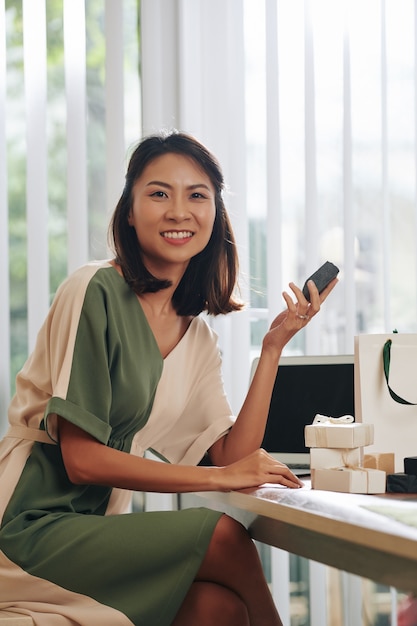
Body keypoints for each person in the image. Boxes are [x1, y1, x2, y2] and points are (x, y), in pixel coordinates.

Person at [0, 130, 337, 626]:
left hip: (90, 529)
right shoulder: (94, 290)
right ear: (130, 212)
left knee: (217, 609)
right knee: (222, 535)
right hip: (25, 524)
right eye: (159, 193)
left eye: (196, 195)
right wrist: (220, 477)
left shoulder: (196, 338)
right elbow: (82, 460)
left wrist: (273, 348)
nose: (179, 211)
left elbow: (233, 457)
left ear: (214, 215)